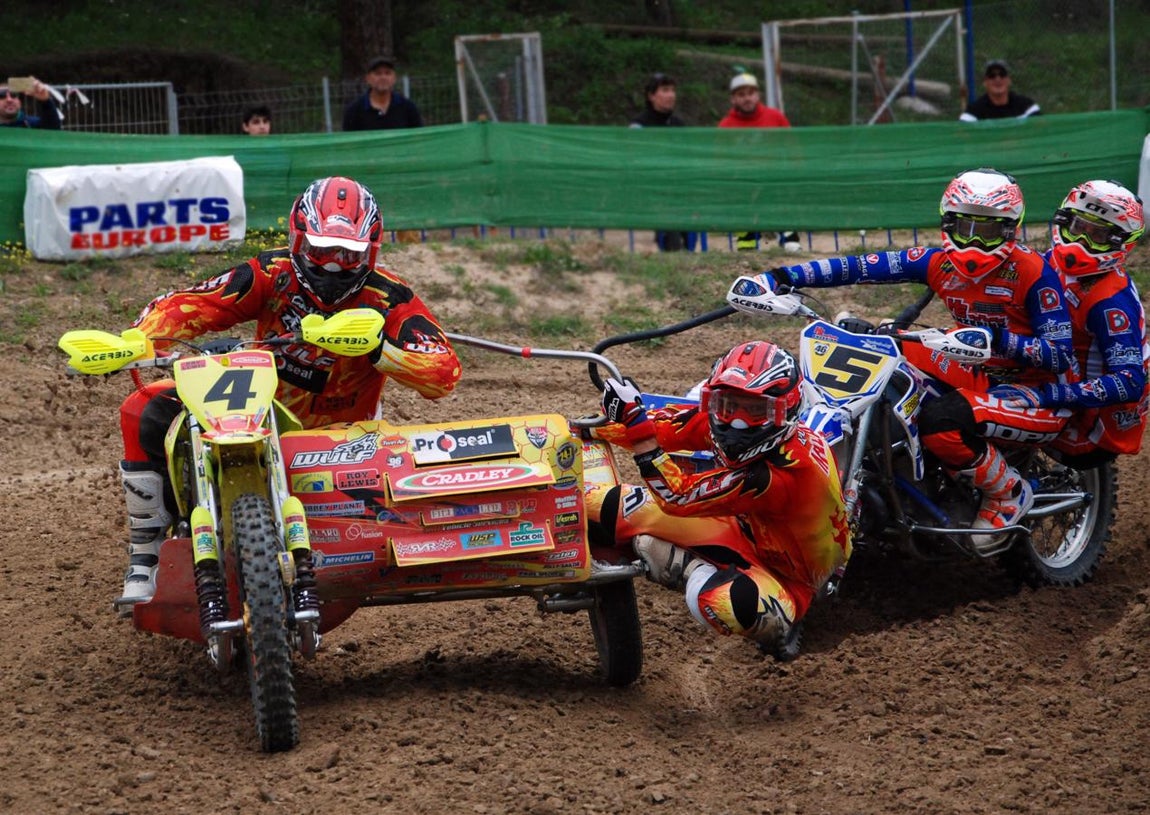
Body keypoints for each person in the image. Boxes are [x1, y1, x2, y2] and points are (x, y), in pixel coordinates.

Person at [115, 176, 461, 607]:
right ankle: (145, 552)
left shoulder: (388, 298)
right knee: (145, 408)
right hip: (255, 417)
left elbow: (444, 371)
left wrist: (380, 350)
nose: (333, 266)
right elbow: (196, 302)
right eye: (321, 250)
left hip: (341, 444)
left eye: (348, 254)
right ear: (298, 241)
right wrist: (143, 337)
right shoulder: (271, 273)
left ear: (370, 252)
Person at [746, 168, 1076, 548]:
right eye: (963, 227)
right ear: (947, 222)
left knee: (941, 423)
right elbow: (858, 267)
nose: (972, 241)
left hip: (1038, 393)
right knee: (884, 352)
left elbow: (1060, 356)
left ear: (1008, 229)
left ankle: (1007, 492)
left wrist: (997, 339)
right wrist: (779, 277)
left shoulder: (1034, 273)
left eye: (985, 231)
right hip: (980, 373)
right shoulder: (939, 263)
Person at [588, 341, 851, 658]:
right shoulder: (732, 423)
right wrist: (594, 427)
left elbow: (679, 496)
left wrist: (637, 429)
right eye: (727, 405)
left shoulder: (782, 473)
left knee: (724, 604)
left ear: (785, 410)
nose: (737, 421)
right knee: (596, 506)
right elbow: (667, 427)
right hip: (742, 531)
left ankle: (683, 566)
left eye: (755, 410)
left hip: (790, 579)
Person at [1013, 179, 1147, 465]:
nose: (1081, 242)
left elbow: (1131, 380)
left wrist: (1053, 395)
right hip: (1060, 378)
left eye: (1096, 235)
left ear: (1120, 241)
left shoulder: (1110, 303)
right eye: (1078, 228)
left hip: (1091, 423)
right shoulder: (1052, 264)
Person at [716, 71, 801, 253]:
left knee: (782, 203)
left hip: (775, 181)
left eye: (751, 93)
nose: (747, 98)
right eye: (741, 94)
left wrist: (792, 172)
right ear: (733, 99)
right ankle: (747, 245)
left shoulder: (775, 117)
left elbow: (793, 148)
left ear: (758, 95)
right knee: (745, 232)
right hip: (742, 185)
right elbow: (720, 160)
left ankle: (789, 238)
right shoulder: (725, 126)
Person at [629, 72, 697, 252]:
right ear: (651, 95)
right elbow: (634, 161)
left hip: (682, 192)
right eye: (665, 90)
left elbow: (690, 159)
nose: (671, 95)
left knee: (690, 240)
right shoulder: (639, 126)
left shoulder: (679, 125)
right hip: (654, 193)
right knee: (671, 241)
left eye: (673, 90)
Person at [342, 54, 423, 131]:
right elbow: (348, 142)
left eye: (387, 73)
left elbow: (419, 138)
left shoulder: (408, 108)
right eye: (378, 73)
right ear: (368, 79)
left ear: (394, 78)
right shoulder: (354, 111)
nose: (383, 77)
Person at [959, 59, 1041, 122]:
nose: (997, 79)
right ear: (985, 82)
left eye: (1002, 75)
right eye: (992, 76)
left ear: (1009, 80)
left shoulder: (1026, 107)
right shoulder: (974, 112)